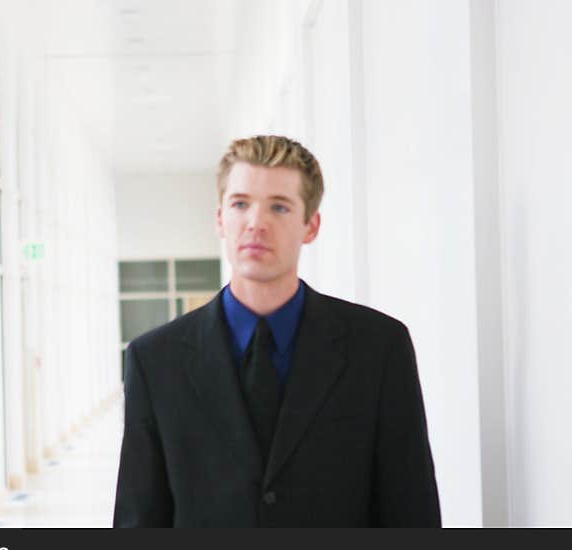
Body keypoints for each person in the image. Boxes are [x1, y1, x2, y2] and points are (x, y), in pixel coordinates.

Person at [113, 135, 441, 527]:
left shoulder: (379, 348)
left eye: (279, 207)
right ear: (220, 219)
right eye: (240, 204)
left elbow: (411, 508)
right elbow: (139, 518)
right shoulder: (155, 361)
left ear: (311, 225)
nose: (256, 223)